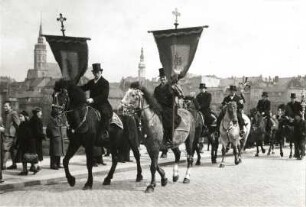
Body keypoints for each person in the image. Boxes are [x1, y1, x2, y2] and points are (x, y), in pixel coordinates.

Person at [80, 63, 113, 141]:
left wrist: (93, 99)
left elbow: (104, 96)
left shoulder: (105, 82)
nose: (96, 74)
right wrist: (74, 88)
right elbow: (84, 88)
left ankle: (104, 132)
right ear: (93, 73)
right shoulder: (91, 82)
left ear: (101, 72)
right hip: (92, 105)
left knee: (104, 114)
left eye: (98, 72)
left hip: (103, 104)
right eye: (95, 72)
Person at [154, 68, 182, 158]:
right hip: (159, 108)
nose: (162, 79)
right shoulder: (157, 89)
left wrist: (175, 91)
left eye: (164, 77)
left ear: (166, 78)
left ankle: (168, 142)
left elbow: (174, 99)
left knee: (167, 122)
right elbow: (154, 99)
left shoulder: (170, 88)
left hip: (168, 109)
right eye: (161, 77)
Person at [16, 111, 38, 175]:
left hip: (28, 144)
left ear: (25, 117)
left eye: (21, 116)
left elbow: (30, 135)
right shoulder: (21, 124)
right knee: (24, 158)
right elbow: (19, 135)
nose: (20, 118)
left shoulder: (28, 124)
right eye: (19, 116)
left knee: (27, 157)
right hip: (23, 143)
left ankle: (29, 169)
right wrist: (17, 144)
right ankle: (28, 169)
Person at [2, 101, 20, 170]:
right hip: (7, 134)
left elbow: (18, 123)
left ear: (10, 106)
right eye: (4, 106)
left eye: (6, 106)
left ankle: (3, 165)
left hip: (10, 135)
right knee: (11, 150)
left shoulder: (13, 113)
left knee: (6, 149)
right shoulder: (6, 114)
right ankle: (14, 164)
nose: (5, 108)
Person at [285, 93, 303, 158]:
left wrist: (294, 118)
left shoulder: (298, 104)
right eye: (292, 98)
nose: (293, 99)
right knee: (284, 124)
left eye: (294, 98)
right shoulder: (288, 104)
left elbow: (300, 112)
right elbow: (286, 113)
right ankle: (285, 136)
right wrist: (287, 117)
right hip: (290, 119)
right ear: (291, 98)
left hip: (296, 120)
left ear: (295, 98)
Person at [29, 107, 45, 172]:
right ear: (37, 113)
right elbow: (37, 131)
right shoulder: (37, 120)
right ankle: (35, 167)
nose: (41, 113)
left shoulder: (32, 119)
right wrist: (43, 135)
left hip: (32, 139)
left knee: (34, 152)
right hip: (36, 139)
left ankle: (35, 166)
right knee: (36, 152)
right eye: (40, 112)